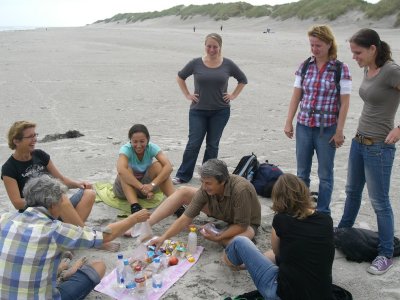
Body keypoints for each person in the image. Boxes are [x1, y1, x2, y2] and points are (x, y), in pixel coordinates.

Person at [0, 174, 150, 300]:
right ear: (52, 205)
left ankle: (61, 272)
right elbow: (104, 236)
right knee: (98, 266)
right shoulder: (54, 230)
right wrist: (134, 219)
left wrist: (61, 271)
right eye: (61, 202)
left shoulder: (4, 219)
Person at [338, 28, 400, 275]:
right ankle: (340, 233)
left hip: (379, 148)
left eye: (358, 52)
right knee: (352, 192)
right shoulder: (368, 68)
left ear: (373, 49)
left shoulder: (391, 71)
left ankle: (385, 253)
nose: (354, 57)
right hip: (359, 142)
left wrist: (399, 129)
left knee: (379, 202)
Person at [223, 173, 334, 300]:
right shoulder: (326, 220)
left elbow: (277, 252)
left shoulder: (281, 220)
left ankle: (230, 262)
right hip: (321, 294)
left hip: (282, 295)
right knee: (284, 253)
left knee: (239, 241)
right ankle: (243, 264)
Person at [284, 25, 352, 214]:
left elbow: (345, 103)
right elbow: (296, 95)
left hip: (327, 129)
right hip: (304, 125)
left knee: (325, 174)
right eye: (312, 45)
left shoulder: (340, 68)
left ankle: (323, 212)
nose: (314, 49)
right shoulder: (305, 66)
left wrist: (339, 131)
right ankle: (302, 208)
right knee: (302, 173)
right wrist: (289, 121)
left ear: (329, 44)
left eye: (318, 45)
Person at [173, 33, 248, 184]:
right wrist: (187, 94)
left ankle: (207, 176)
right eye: (209, 46)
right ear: (205, 46)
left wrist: (233, 95)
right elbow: (180, 77)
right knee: (193, 143)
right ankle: (183, 175)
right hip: (198, 111)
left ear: (220, 47)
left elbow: (243, 80)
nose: (212, 49)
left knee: (212, 145)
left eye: (215, 46)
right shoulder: (195, 63)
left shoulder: (228, 64)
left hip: (220, 111)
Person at [1, 121, 95, 227]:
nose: (35, 139)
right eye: (30, 136)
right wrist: (46, 200)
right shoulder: (9, 168)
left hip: (56, 206)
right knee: (61, 198)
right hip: (36, 214)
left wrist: (78, 184)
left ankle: (70, 232)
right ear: (16, 141)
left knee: (89, 193)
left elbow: (61, 179)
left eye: (35, 135)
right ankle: (85, 237)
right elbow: (17, 203)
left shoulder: (40, 155)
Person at [150, 159, 261, 248]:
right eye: (202, 182)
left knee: (231, 242)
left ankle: (222, 231)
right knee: (183, 191)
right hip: (222, 212)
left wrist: (218, 236)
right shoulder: (206, 188)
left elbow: (241, 226)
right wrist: (163, 237)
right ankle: (146, 223)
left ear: (222, 181)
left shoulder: (241, 190)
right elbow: (185, 218)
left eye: (208, 183)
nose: (203, 186)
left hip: (246, 223)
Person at [113, 124, 176, 215]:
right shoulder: (125, 149)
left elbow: (168, 167)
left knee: (159, 165)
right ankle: (135, 206)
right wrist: (142, 187)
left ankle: (175, 202)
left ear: (147, 140)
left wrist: (151, 185)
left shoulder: (152, 147)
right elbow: (121, 170)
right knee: (126, 169)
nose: (138, 145)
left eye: (142, 141)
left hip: (146, 187)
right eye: (135, 142)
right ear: (130, 141)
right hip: (126, 188)